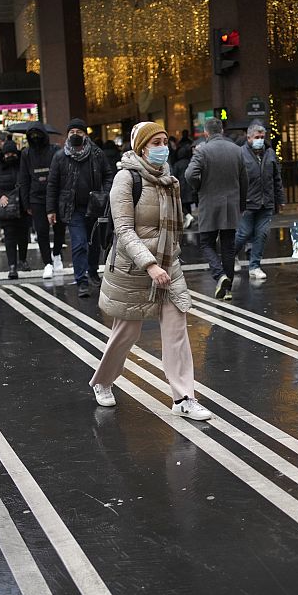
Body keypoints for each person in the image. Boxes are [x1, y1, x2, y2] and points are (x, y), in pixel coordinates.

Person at [91, 121, 212, 421]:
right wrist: (150, 264)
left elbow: (175, 226)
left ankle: (183, 397)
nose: (162, 147)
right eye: (155, 142)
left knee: (177, 332)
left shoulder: (170, 180)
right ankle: (102, 381)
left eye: (164, 141)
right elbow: (124, 229)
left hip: (169, 267)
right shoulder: (125, 179)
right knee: (126, 333)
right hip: (133, 268)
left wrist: (170, 258)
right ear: (142, 146)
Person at [46, 118, 115, 297]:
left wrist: (105, 192)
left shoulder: (97, 154)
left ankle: (92, 272)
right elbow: (52, 184)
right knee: (79, 243)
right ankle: (81, 281)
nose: (75, 135)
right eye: (72, 132)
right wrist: (50, 210)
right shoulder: (60, 156)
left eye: (79, 132)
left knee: (93, 243)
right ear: (68, 135)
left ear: (85, 135)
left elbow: (108, 174)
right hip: (72, 208)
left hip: (95, 206)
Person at [186, 117, 248, 300]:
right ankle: (227, 289)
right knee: (228, 247)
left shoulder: (202, 151)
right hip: (231, 204)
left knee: (206, 243)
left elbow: (190, 174)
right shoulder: (237, 150)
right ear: (221, 130)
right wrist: (241, 203)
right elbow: (244, 180)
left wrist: (198, 186)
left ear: (206, 133)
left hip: (209, 203)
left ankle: (219, 275)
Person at [236, 120, 285, 280]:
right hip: (247, 202)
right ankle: (230, 256)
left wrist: (280, 199)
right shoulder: (240, 154)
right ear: (249, 138)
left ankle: (254, 265)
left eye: (262, 136)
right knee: (243, 234)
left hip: (266, 202)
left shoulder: (270, 153)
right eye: (257, 136)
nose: (260, 139)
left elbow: (276, 178)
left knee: (261, 235)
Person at [18, 125, 64, 279]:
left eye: (38, 134)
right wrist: (26, 203)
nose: (35, 137)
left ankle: (56, 254)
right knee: (42, 231)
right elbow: (24, 178)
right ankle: (47, 263)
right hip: (36, 198)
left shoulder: (54, 150)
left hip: (55, 195)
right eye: (32, 135)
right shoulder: (26, 154)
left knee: (59, 228)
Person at [0, 139, 29, 278]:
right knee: (10, 237)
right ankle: (12, 266)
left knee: (23, 235)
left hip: (22, 206)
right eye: (7, 154)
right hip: (6, 207)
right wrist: (0, 196)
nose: (10, 156)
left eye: (12, 153)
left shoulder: (22, 164)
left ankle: (22, 260)